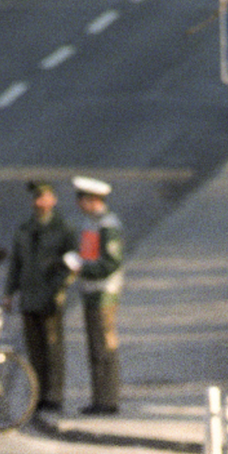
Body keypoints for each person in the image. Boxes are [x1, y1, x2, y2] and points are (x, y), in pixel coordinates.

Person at [3, 180, 77, 412]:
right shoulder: (25, 230)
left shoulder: (64, 230)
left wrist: (59, 289)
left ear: (53, 200)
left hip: (51, 297)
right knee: (35, 350)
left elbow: (72, 264)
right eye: (36, 198)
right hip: (29, 297)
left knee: (53, 349)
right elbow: (16, 263)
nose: (40, 202)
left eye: (44, 198)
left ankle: (54, 396)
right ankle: (37, 394)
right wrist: (9, 292)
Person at [67, 176, 125, 415]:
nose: (79, 204)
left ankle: (108, 400)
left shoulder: (107, 225)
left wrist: (82, 268)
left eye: (82, 200)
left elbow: (111, 262)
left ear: (93, 200)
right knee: (95, 348)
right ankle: (99, 398)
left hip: (104, 293)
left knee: (104, 347)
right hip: (91, 292)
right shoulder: (91, 222)